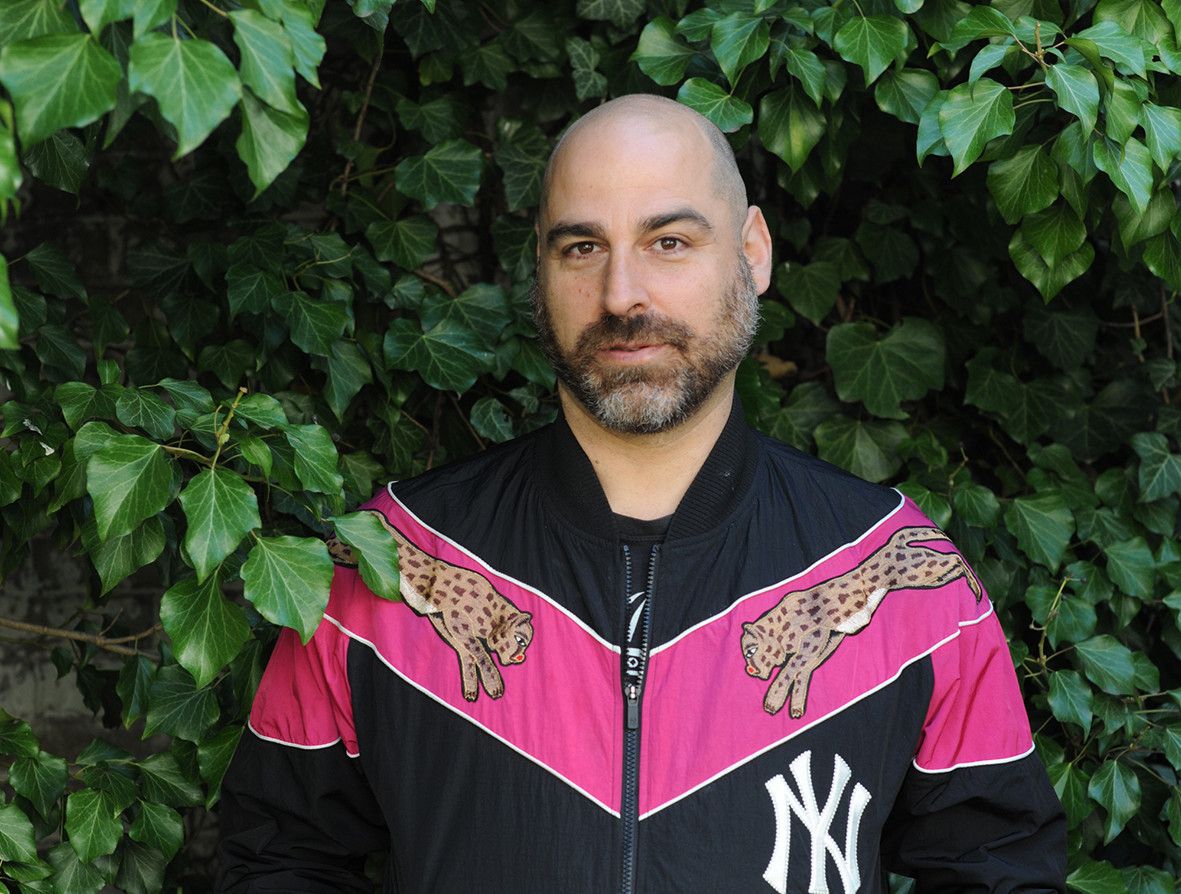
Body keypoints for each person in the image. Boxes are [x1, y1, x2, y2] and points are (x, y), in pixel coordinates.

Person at [217, 94, 1067, 893]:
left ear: (753, 252)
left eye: (669, 241)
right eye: (581, 247)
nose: (622, 294)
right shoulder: (384, 565)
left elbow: (1000, 870)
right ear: (541, 274)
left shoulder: (900, 576)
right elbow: (277, 860)